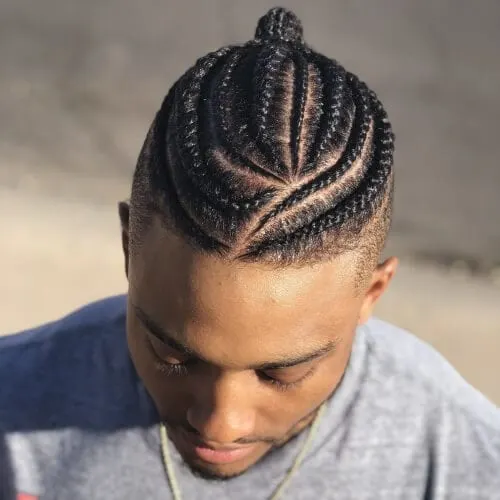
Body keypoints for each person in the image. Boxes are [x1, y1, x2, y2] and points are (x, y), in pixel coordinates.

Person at [1, 7, 499, 500]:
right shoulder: (14, 407)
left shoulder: (459, 460)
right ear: (130, 245)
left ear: (372, 293)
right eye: (171, 355)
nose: (220, 424)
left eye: (281, 373)